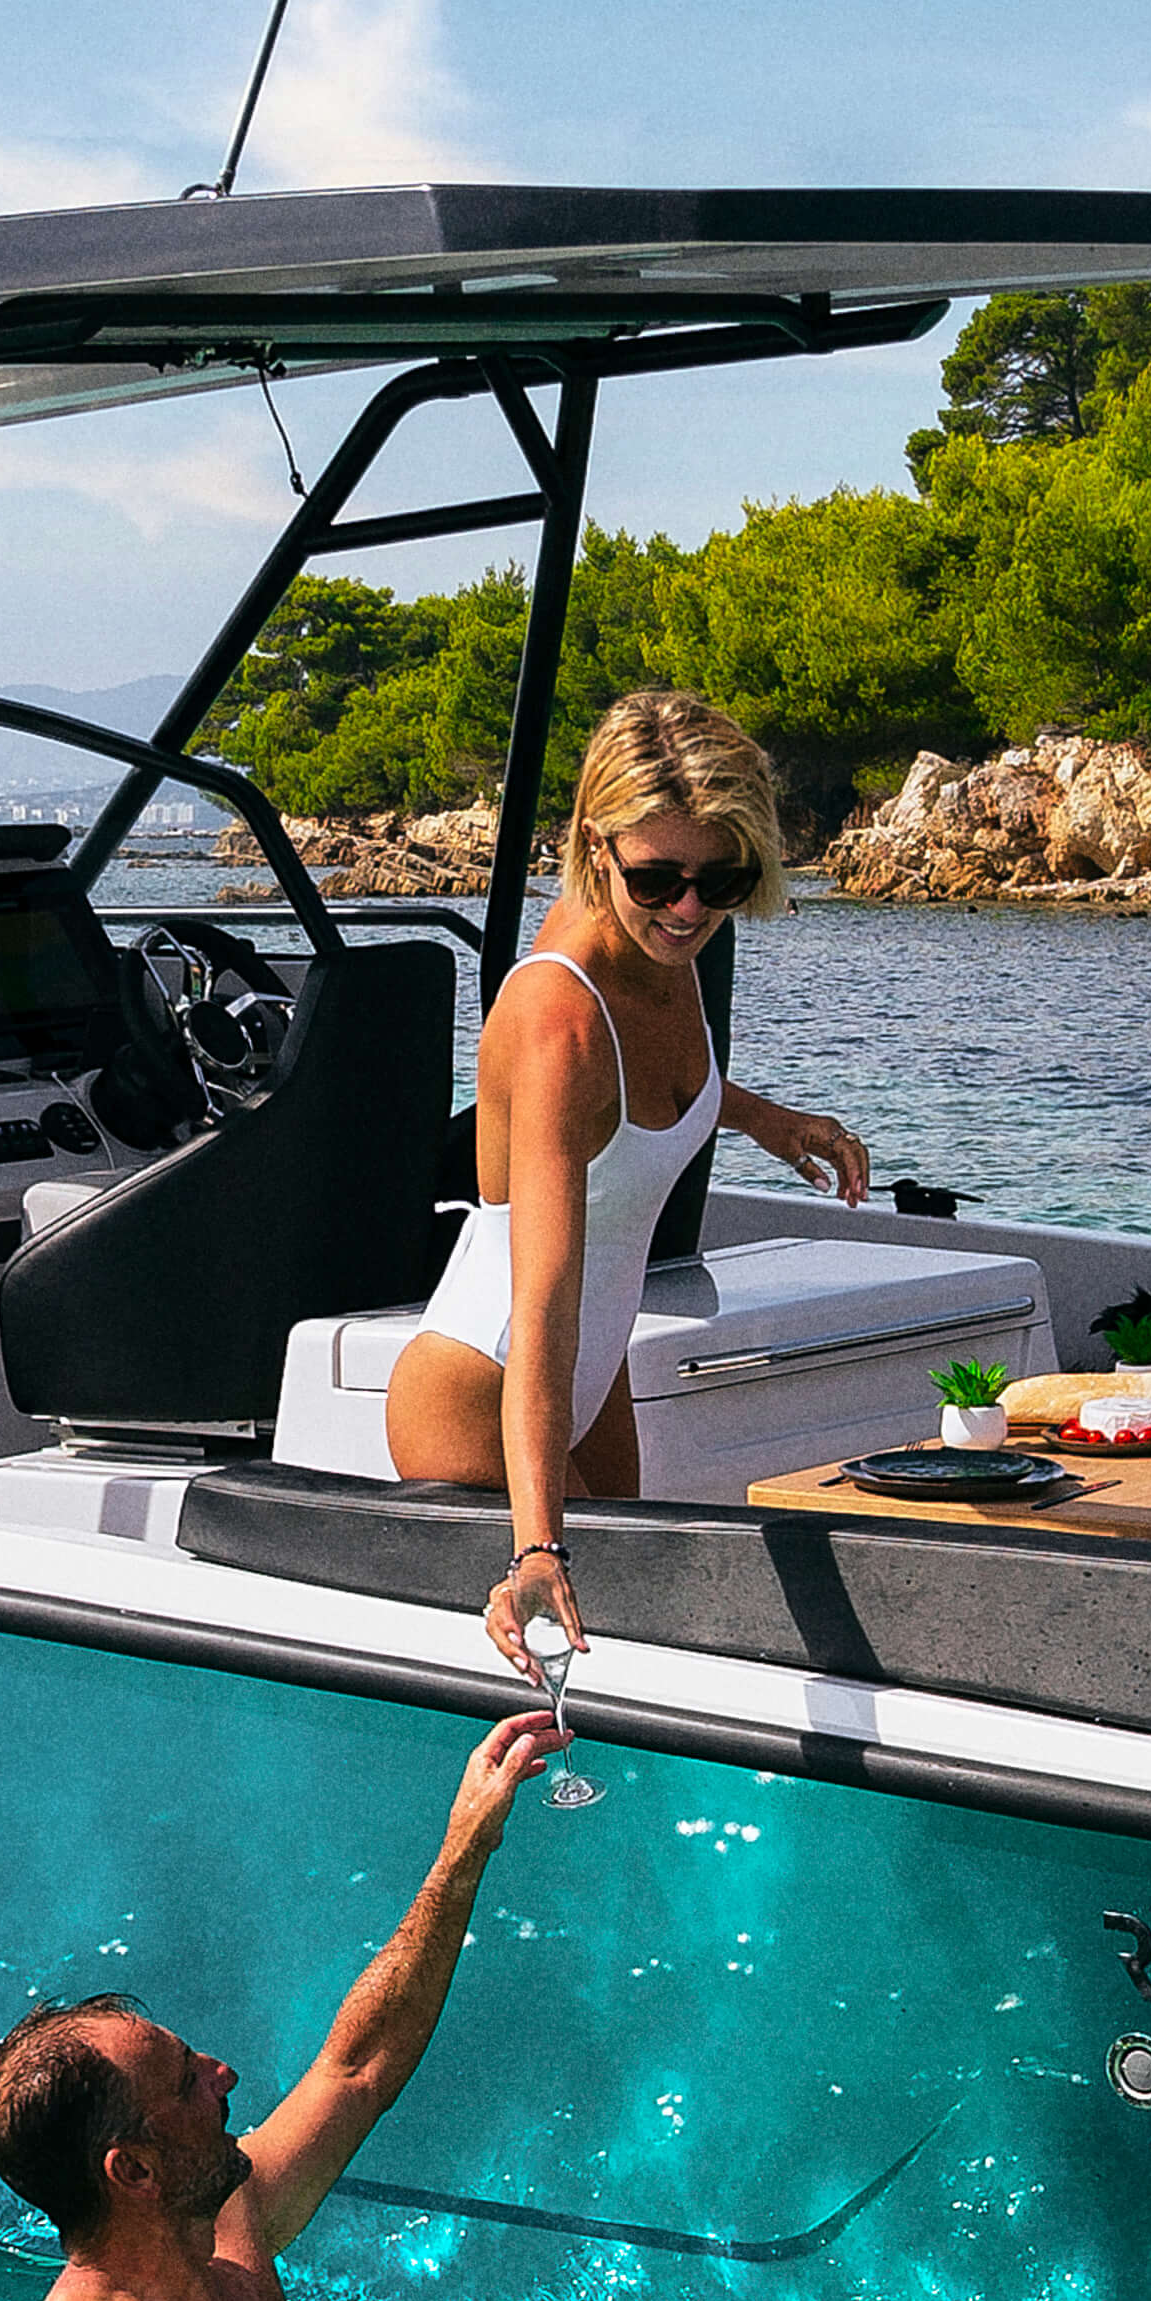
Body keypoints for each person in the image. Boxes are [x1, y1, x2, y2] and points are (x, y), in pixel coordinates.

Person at [0, 1709, 560, 2301]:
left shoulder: (225, 2226)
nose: (225, 2076)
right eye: (187, 2082)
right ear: (134, 2170)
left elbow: (359, 2067)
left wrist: (464, 1850)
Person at [384, 686, 873, 1679]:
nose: (689, 908)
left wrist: (768, 1119)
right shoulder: (558, 1022)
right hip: (487, 1385)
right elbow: (542, 1302)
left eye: (721, 877)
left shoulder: (661, 939)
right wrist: (534, 1544)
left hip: (589, 1368)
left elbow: (650, 1087)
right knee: (577, 1660)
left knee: (631, 1658)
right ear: (593, 845)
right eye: (656, 879)